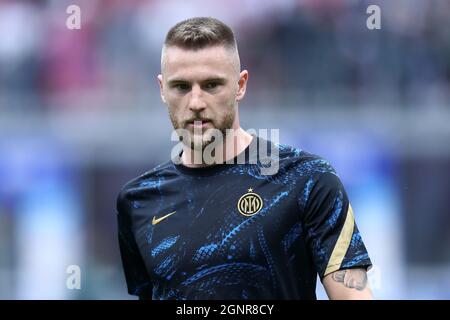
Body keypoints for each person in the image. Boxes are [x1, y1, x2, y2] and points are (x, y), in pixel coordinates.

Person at [116, 17, 373, 300]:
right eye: (181, 87)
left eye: (212, 85)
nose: (196, 102)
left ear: (241, 85)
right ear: (162, 89)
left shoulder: (309, 179)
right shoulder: (138, 201)